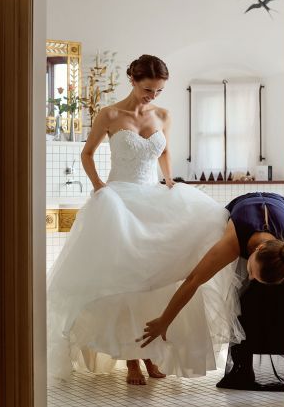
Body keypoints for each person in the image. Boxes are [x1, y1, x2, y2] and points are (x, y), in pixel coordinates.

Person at [47, 55, 241, 386]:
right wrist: (99, 186)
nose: (153, 96)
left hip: (154, 198)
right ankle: (131, 360)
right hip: (119, 202)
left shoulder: (162, 115)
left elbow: (163, 152)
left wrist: (169, 180)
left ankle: (151, 353)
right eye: (148, 89)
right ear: (133, 81)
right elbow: (86, 153)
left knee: (158, 279)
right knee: (127, 281)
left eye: (159, 91)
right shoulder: (109, 115)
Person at [140, 192, 284, 389]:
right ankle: (241, 368)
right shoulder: (232, 243)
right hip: (244, 206)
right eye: (252, 272)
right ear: (258, 249)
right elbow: (193, 281)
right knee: (243, 297)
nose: (251, 278)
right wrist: (164, 321)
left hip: (283, 209)